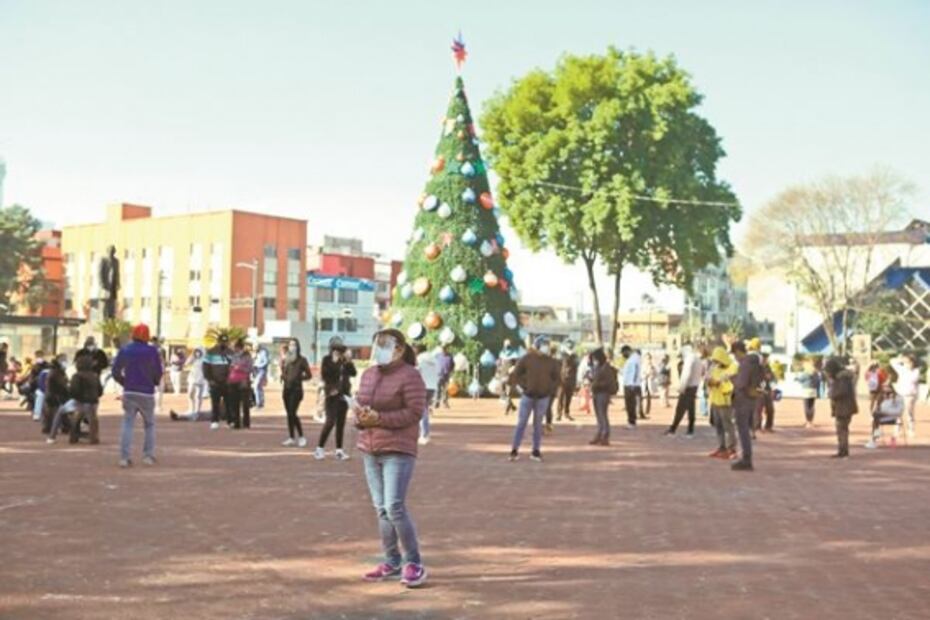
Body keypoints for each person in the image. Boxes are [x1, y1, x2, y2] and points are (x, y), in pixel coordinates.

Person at [354, 329, 428, 588]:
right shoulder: (369, 374)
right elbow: (361, 406)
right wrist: (360, 418)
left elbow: (414, 412)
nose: (379, 350)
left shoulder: (411, 376)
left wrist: (381, 419)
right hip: (370, 447)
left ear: (399, 349)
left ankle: (414, 563)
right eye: (377, 344)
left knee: (394, 506)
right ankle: (392, 560)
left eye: (385, 345)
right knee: (381, 508)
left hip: (398, 448)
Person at [111, 324, 163, 468]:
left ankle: (124, 457)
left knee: (128, 423)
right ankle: (148, 456)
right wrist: (153, 382)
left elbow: (115, 371)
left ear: (133, 335)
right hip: (146, 392)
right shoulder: (152, 351)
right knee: (149, 424)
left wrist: (124, 382)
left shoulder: (125, 349)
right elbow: (158, 372)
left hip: (129, 391)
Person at [508, 336, 560, 462]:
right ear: (536, 346)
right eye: (543, 344)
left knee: (538, 425)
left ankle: (535, 451)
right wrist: (521, 388)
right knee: (522, 423)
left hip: (543, 397)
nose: (546, 347)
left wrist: (550, 390)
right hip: (528, 396)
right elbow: (515, 374)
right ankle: (514, 450)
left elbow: (557, 379)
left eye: (547, 345)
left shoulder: (551, 362)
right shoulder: (526, 359)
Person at [315, 337, 357, 459]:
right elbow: (326, 375)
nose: (338, 352)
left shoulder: (344, 361)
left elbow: (353, 373)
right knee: (330, 421)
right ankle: (319, 449)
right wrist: (334, 361)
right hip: (332, 394)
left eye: (340, 349)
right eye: (336, 349)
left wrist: (348, 361)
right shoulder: (327, 360)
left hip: (344, 395)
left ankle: (339, 450)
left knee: (341, 423)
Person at [47, 354, 102, 445]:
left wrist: (74, 396)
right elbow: (100, 391)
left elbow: (74, 391)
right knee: (90, 417)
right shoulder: (95, 376)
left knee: (61, 411)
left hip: (80, 402)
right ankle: (91, 436)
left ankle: (52, 437)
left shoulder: (77, 376)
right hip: (94, 403)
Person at [730, 340, 762, 471]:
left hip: (742, 399)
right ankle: (747, 457)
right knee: (746, 429)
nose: (735, 358)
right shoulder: (755, 362)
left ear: (738, 352)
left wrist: (732, 379)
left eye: (735, 354)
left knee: (743, 430)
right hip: (752, 398)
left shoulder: (745, 364)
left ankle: (746, 459)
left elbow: (741, 383)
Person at [665, 344, 705, 437]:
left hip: (688, 386)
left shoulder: (689, 359)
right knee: (691, 408)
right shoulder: (697, 359)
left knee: (680, 409)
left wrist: (681, 387)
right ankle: (690, 430)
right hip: (694, 386)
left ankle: (673, 429)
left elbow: (686, 374)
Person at [707, 346, 738, 459]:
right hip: (715, 400)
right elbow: (708, 378)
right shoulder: (714, 368)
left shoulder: (732, 366)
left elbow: (729, 377)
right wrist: (709, 381)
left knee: (728, 426)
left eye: (717, 359)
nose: (715, 362)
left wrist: (718, 381)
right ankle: (721, 447)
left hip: (726, 401)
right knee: (718, 425)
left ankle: (732, 449)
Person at [280, 338, 312, 447]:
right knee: (289, 414)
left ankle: (301, 436)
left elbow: (309, 375)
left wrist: (299, 378)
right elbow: (284, 372)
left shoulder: (302, 360)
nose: (292, 347)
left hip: (296, 390)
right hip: (287, 389)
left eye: (294, 345)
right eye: (290, 345)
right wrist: (284, 376)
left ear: (297, 346)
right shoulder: (286, 360)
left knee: (293, 413)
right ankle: (291, 437)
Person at [824, 357, 858, 459]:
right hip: (843, 407)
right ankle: (842, 450)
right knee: (842, 430)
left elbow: (841, 392)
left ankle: (843, 451)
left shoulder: (842, 379)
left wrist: (831, 393)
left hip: (844, 407)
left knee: (842, 430)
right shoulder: (842, 378)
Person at [203, 334, 233, 431]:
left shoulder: (231, 352)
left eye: (225, 342)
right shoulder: (210, 352)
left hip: (227, 382)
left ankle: (230, 421)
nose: (224, 343)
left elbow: (234, 367)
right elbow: (205, 367)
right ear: (218, 342)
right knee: (215, 403)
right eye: (222, 342)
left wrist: (231, 379)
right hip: (215, 382)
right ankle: (214, 421)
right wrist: (210, 379)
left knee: (229, 403)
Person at [589, 348, 618, 445]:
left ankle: (605, 435)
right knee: (599, 415)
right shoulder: (598, 367)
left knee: (602, 415)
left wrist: (597, 384)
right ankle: (600, 433)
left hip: (603, 393)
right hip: (597, 392)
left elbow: (607, 382)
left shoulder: (606, 368)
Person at [170, 348, 207, 421]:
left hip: (200, 380)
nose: (197, 353)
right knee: (190, 394)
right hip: (192, 379)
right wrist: (191, 357)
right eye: (196, 352)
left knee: (198, 396)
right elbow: (186, 364)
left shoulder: (204, 360)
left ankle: (197, 411)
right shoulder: (193, 359)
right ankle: (191, 409)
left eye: (199, 352)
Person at [865, 382, 905, 449]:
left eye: (887, 387)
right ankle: (875, 436)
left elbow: (899, 411)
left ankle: (874, 438)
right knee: (875, 416)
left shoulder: (898, 398)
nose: (885, 389)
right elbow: (877, 408)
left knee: (876, 418)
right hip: (881, 417)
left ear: (891, 388)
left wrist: (886, 412)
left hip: (893, 417)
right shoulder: (881, 397)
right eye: (884, 387)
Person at [413, 344, 438, 446]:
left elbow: (415, 372)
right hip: (432, 386)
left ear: (418, 349)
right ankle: (424, 433)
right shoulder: (433, 358)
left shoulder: (419, 359)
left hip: (422, 386)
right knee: (424, 409)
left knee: (422, 411)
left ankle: (424, 434)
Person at [226, 339, 253, 429]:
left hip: (243, 381)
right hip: (233, 380)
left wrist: (240, 368)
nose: (234, 349)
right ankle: (236, 422)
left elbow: (250, 368)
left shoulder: (247, 356)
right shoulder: (232, 356)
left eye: (235, 347)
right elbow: (229, 366)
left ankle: (246, 423)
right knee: (234, 403)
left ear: (239, 347)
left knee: (245, 403)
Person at [892, 355, 919, 439]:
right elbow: (892, 361)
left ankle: (911, 430)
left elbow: (913, 379)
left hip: (910, 395)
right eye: (907, 362)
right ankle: (897, 429)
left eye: (910, 362)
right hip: (901, 394)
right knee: (898, 413)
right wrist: (901, 359)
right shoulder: (902, 369)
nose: (908, 364)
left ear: (913, 363)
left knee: (909, 413)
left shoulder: (916, 371)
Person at [755, 352, 777, 433]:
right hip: (759, 390)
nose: (766, 360)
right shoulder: (756, 368)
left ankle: (768, 426)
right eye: (764, 359)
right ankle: (757, 426)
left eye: (767, 359)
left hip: (767, 390)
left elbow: (773, 378)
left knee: (770, 409)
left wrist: (773, 389)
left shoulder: (768, 368)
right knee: (758, 409)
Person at [557, 340, 579, 421]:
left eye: (571, 346)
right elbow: (557, 366)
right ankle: (559, 413)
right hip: (562, 379)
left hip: (571, 379)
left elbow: (577, 367)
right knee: (560, 397)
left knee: (568, 397)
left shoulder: (575, 356)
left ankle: (566, 413)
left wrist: (576, 381)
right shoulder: (562, 355)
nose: (570, 347)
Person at [621, 345, 641, 429]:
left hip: (631, 385)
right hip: (628, 384)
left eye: (623, 353)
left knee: (630, 404)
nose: (623, 355)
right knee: (629, 404)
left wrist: (632, 384)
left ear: (627, 351)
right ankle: (631, 421)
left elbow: (635, 372)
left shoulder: (634, 359)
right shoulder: (630, 360)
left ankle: (631, 422)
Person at [796, 358, 821, 429]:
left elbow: (800, 380)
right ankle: (811, 421)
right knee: (812, 406)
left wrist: (797, 378)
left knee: (806, 406)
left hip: (806, 390)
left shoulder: (806, 373)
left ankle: (808, 421)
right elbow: (818, 381)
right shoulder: (815, 373)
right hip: (813, 390)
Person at [252, 345, 270, 409]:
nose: (255, 349)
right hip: (256, 372)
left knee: (256, 386)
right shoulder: (256, 354)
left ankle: (258, 403)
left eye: (256, 348)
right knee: (259, 387)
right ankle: (261, 402)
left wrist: (258, 365)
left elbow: (266, 362)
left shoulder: (263, 353)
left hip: (261, 370)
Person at [640, 352, 655, 419]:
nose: (648, 359)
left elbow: (655, 374)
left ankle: (647, 410)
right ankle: (641, 411)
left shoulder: (652, 366)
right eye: (647, 358)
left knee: (648, 398)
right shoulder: (642, 365)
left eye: (649, 358)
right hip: (643, 382)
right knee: (642, 398)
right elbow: (640, 374)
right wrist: (645, 375)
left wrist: (651, 374)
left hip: (649, 383)